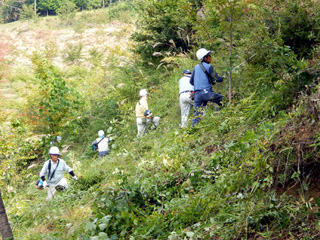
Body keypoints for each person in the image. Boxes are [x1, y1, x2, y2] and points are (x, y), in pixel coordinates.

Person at [190, 48, 224, 126]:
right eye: (209, 56)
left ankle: (193, 130)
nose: (210, 57)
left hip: (197, 95)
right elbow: (217, 79)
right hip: (206, 93)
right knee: (222, 99)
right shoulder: (209, 67)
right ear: (205, 58)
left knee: (197, 114)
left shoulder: (195, 68)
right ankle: (222, 116)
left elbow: (191, 82)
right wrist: (222, 77)